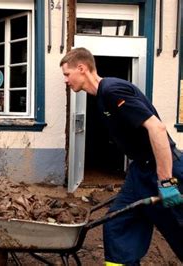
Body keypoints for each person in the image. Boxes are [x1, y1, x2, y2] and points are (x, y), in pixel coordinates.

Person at [60, 47, 183, 265]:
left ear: (82, 68)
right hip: (140, 173)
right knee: (117, 225)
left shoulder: (112, 90)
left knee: (178, 230)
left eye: (67, 74)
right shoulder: (101, 97)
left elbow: (157, 129)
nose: (66, 81)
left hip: (162, 170)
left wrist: (165, 181)